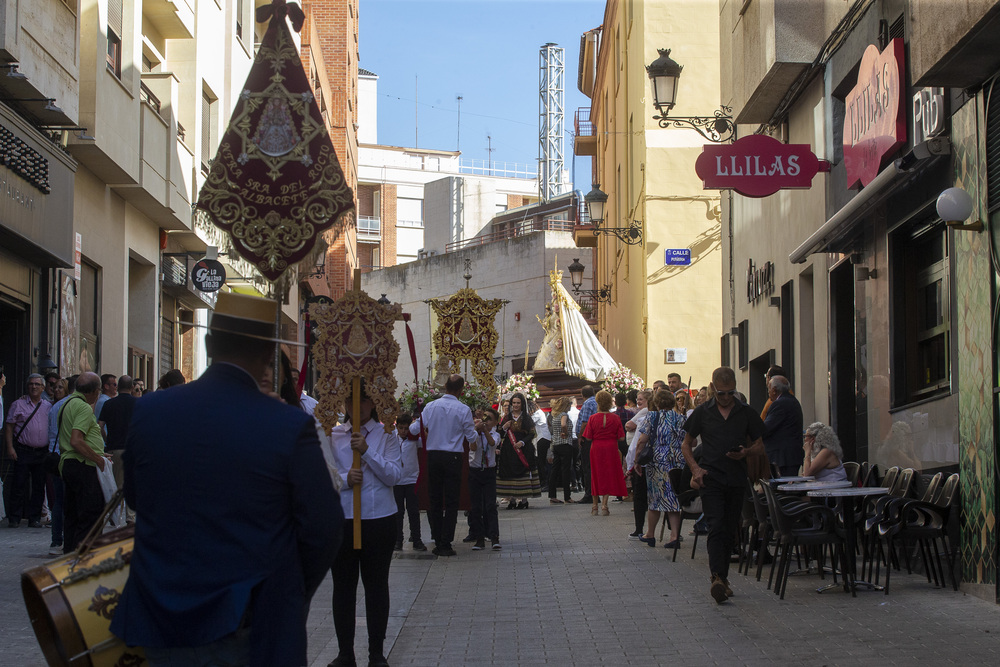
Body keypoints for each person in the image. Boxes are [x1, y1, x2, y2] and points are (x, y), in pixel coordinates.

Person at [110, 292, 343, 666]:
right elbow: (324, 528)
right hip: (252, 620)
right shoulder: (288, 425)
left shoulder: (151, 411)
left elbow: (136, 498)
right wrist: (291, 590)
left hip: (162, 614)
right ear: (270, 354)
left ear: (207, 343)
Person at [325, 385, 402, 667]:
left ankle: (376, 653)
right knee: (343, 587)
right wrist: (347, 479)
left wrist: (367, 452)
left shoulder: (387, 434)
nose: (355, 406)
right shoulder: (332, 436)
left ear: (373, 403)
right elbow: (325, 477)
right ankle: (345, 652)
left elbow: (394, 475)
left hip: (378, 519)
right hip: (343, 519)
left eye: (362, 400)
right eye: (349, 400)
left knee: (377, 586)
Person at [681, 366, 765, 604]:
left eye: (730, 393)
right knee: (716, 525)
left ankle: (723, 579)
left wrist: (746, 452)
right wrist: (695, 469)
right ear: (713, 389)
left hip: (736, 478)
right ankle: (716, 578)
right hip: (711, 477)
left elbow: (761, 445)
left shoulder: (746, 412)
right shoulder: (702, 412)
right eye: (721, 394)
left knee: (730, 527)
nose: (726, 398)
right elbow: (686, 444)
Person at [409, 374, 477, 557]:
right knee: (452, 501)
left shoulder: (431, 406)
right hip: (453, 458)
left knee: (435, 500)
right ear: (461, 391)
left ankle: (437, 539)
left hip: (434, 456)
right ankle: (446, 543)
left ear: (445, 386)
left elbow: (414, 429)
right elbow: (471, 437)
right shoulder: (463, 409)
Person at [57, 372, 108, 552]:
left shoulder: (67, 404)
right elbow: (76, 440)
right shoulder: (84, 407)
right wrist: (98, 459)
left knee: (72, 515)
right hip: (82, 465)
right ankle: (82, 559)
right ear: (95, 391)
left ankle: (69, 555)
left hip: (70, 464)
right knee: (90, 516)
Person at [635, 390, 687, 548]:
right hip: (677, 462)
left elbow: (642, 440)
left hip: (657, 461)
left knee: (655, 498)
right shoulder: (681, 418)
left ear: (656, 403)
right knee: (672, 499)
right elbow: (690, 442)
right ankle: (674, 536)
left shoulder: (652, 416)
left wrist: (637, 460)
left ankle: (650, 534)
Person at [4, 374, 52, 528]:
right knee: (18, 484)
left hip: (42, 452)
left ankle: (35, 518)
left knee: (39, 486)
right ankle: (14, 518)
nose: (34, 387)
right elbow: (9, 427)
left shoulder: (48, 406)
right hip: (23, 450)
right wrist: (10, 447)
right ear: (27, 386)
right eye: (31, 384)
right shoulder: (18, 404)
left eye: (37, 384)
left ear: (43, 388)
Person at [97, 375, 137, 523]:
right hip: (133, 450)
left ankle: (114, 516)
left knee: (116, 485)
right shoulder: (138, 403)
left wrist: (107, 439)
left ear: (118, 387)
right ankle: (131, 516)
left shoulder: (109, 404)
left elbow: (100, 425)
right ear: (132, 388)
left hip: (114, 448)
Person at [581, 390, 626, 516]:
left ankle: (594, 505)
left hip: (596, 447)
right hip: (611, 447)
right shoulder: (616, 418)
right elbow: (621, 438)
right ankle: (605, 505)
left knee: (595, 474)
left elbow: (588, 437)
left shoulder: (592, 418)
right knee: (608, 474)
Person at [46, 375, 75, 554]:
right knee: (65, 500)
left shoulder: (54, 407)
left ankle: (57, 540)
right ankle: (64, 540)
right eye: (54, 387)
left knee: (58, 500)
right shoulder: (70, 406)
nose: (56, 390)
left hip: (54, 454)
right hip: (64, 455)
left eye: (59, 387)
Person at [497, 392, 540, 509]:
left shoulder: (527, 418)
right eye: (514, 403)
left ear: (522, 404)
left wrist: (523, 442)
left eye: (518, 403)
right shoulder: (507, 417)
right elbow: (499, 433)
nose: (515, 405)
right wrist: (504, 427)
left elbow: (532, 433)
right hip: (509, 450)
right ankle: (512, 500)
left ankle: (524, 500)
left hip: (524, 449)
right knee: (510, 472)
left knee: (524, 473)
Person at [468, 407, 501, 549]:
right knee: (475, 507)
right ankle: (479, 537)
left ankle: (494, 536)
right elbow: (473, 448)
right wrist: (476, 430)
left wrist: (485, 431)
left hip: (489, 472)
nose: (486, 422)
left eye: (489, 419)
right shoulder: (474, 433)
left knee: (490, 505)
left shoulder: (495, 434)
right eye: (484, 418)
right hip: (475, 471)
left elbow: (493, 443)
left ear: (494, 422)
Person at [393, 413, 426, 552]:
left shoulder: (414, 439)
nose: (403, 431)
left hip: (412, 479)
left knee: (413, 511)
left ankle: (416, 539)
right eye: (401, 428)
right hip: (397, 480)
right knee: (398, 512)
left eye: (406, 428)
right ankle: (398, 540)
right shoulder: (392, 438)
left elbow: (425, 441)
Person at [762, 375, 804, 476]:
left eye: (769, 388)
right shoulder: (793, 401)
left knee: (780, 488)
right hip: (790, 456)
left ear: (774, 390)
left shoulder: (780, 404)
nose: (768, 392)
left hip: (782, 458)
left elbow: (766, 429)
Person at [624, 390, 652, 539]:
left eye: (641, 399)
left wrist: (634, 461)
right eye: (637, 399)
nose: (639, 402)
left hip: (642, 460)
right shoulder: (645, 413)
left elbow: (638, 441)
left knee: (640, 495)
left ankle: (639, 528)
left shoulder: (645, 414)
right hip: (647, 459)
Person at [547, 396, 576, 504]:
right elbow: (564, 424)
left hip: (556, 444)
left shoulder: (555, 416)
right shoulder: (564, 415)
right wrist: (566, 432)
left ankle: (552, 495)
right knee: (565, 470)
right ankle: (567, 496)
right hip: (565, 444)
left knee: (555, 470)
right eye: (569, 405)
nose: (570, 407)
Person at [574, 385, 598, 504]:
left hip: (587, 438)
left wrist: (580, 436)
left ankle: (589, 493)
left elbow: (585, 422)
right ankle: (595, 493)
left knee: (587, 467)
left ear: (582, 395)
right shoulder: (596, 401)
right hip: (594, 438)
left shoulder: (588, 403)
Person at [529, 399, 552, 493]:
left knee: (541, 461)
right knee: (540, 461)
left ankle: (546, 482)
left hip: (543, 438)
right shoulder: (539, 413)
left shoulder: (538, 413)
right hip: (541, 438)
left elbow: (530, 422)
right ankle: (543, 481)